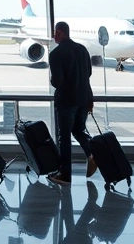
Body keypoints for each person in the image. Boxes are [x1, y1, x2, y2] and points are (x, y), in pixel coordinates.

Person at [48, 21, 97, 185]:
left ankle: (65, 173)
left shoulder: (56, 54)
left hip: (66, 101)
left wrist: (52, 79)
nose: (54, 35)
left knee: (64, 138)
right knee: (78, 129)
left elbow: (57, 82)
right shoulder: (82, 50)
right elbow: (88, 74)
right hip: (83, 98)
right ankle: (92, 154)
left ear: (60, 32)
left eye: (55, 32)